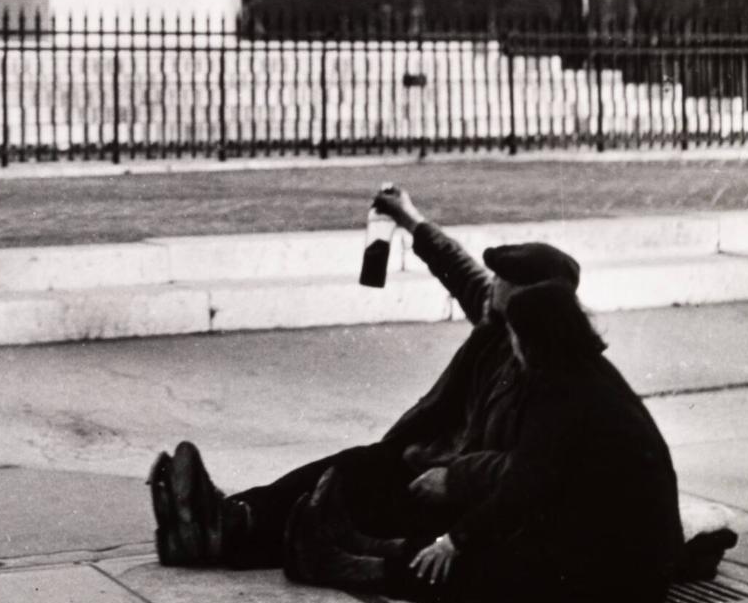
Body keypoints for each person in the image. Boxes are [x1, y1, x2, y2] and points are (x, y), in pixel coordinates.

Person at [149, 184, 587, 572]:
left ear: (536, 302)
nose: (490, 288)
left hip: (456, 500)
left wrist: (454, 479)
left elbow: (528, 467)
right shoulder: (498, 325)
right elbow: (457, 267)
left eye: (503, 283)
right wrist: (408, 217)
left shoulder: (554, 375)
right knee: (344, 472)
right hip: (420, 466)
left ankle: (217, 529)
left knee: (339, 503)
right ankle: (219, 520)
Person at [286, 280, 735, 603]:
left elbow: (526, 483)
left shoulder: (560, 392)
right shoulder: (588, 373)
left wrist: (455, 541)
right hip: (620, 551)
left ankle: (346, 566)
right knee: (494, 543)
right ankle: (371, 549)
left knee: (483, 569)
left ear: (534, 339)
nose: (513, 347)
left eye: (516, 337)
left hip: (621, 578)